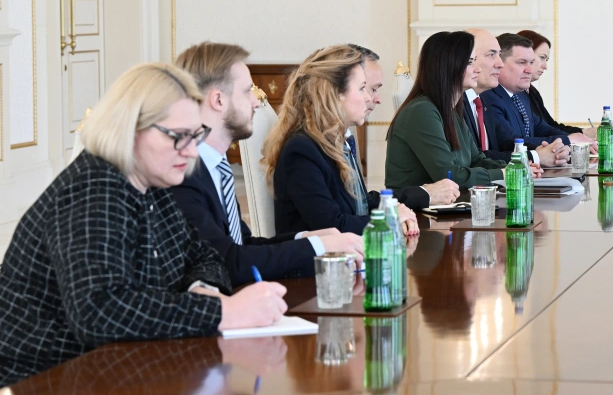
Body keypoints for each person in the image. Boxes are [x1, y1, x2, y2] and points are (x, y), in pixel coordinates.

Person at [0, 63, 288, 387]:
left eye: (196, 135)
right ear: (131, 129)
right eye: (179, 136)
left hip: (122, 368)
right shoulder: (94, 191)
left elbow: (203, 255)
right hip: (48, 380)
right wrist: (224, 313)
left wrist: (203, 289)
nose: (192, 151)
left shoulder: (152, 183)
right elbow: (100, 312)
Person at [172, 42, 364, 286]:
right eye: (247, 91)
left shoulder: (215, 166)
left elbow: (243, 245)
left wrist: (308, 238)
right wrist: (317, 246)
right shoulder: (184, 172)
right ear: (218, 100)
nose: (256, 101)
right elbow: (227, 262)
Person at [266, 45, 422, 236]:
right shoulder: (301, 150)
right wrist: (390, 219)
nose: (368, 97)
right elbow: (331, 225)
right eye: (362, 88)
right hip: (321, 255)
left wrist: (397, 211)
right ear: (336, 94)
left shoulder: (337, 141)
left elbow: (361, 205)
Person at [385, 31, 507, 192]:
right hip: (415, 207)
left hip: (448, 203)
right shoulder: (422, 111)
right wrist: (503, 174)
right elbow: (450, 176)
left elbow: (476, 160)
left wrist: (516, 168)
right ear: (448, 66)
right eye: (470, 62)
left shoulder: (451, 110)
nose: (478, 69)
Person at [349, 43, 460, 206]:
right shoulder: (314, 146)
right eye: (364, 89)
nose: (377, 99)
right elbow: (341, 215)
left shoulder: (345, 138)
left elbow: (361, 203)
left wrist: (425, 194)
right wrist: (425, 194)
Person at [464, 28, 569, 168]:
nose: (499, 64)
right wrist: (537, 156)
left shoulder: (517, 96)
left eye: (531, 62)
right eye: (491, 55)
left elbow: (507, 144)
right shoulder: (480, 98)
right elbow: (475, 159)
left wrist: (555, 148)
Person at [481, 33, 596, 151]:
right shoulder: (488, 97)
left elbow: (543, 128)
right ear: (500, 63)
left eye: (531, 63)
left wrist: (576, 138)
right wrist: (567, 141)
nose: (530, 70)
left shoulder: (521, 95)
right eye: (522, 62)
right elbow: (511, 143)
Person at [516, 29, 597, 139]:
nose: (545, 66)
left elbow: (549, 126)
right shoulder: (513, 93)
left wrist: (582, 133)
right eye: (542, 57)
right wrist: (581, 134)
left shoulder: (533, 92)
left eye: (546, 60)